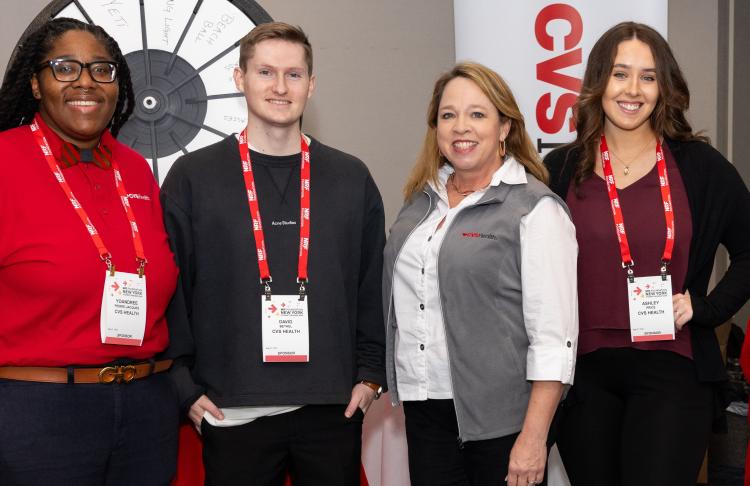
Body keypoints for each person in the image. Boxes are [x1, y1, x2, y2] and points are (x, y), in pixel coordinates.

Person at [161, 22, 386, 486]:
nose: (280, 87)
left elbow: (371, 284)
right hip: (231, 411)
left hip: (330, 408)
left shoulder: (350, 177)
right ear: (239, 78)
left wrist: (369, 375)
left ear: (312, 84)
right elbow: (172, 290)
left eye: (294, 74)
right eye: (265, 72)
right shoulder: (192, 177)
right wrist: (182, 388)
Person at [544, 21, 750, 486]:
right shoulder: (560, 169)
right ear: (598, 82)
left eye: (648, 76)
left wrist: (709, 307)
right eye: (620, 74)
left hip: (672, 367)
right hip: (583, 377)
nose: (632, 89)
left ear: (664, 87)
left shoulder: (699, 167)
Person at [0, 18, 179, 485]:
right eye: (65, 68)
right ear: (36, 85)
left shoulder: (136, 170)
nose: (85, 81)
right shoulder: (4, 162)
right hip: (37, 415)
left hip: (146, 410)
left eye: (102, 69)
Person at [383, 62, 578, 486]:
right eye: (448, 115)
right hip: (426, 410)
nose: (460, 127)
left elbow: (554, 337)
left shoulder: (535, 209)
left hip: (502, 424)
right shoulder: (420, 203)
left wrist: (534, 438)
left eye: (477, 114)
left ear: (505, 126)